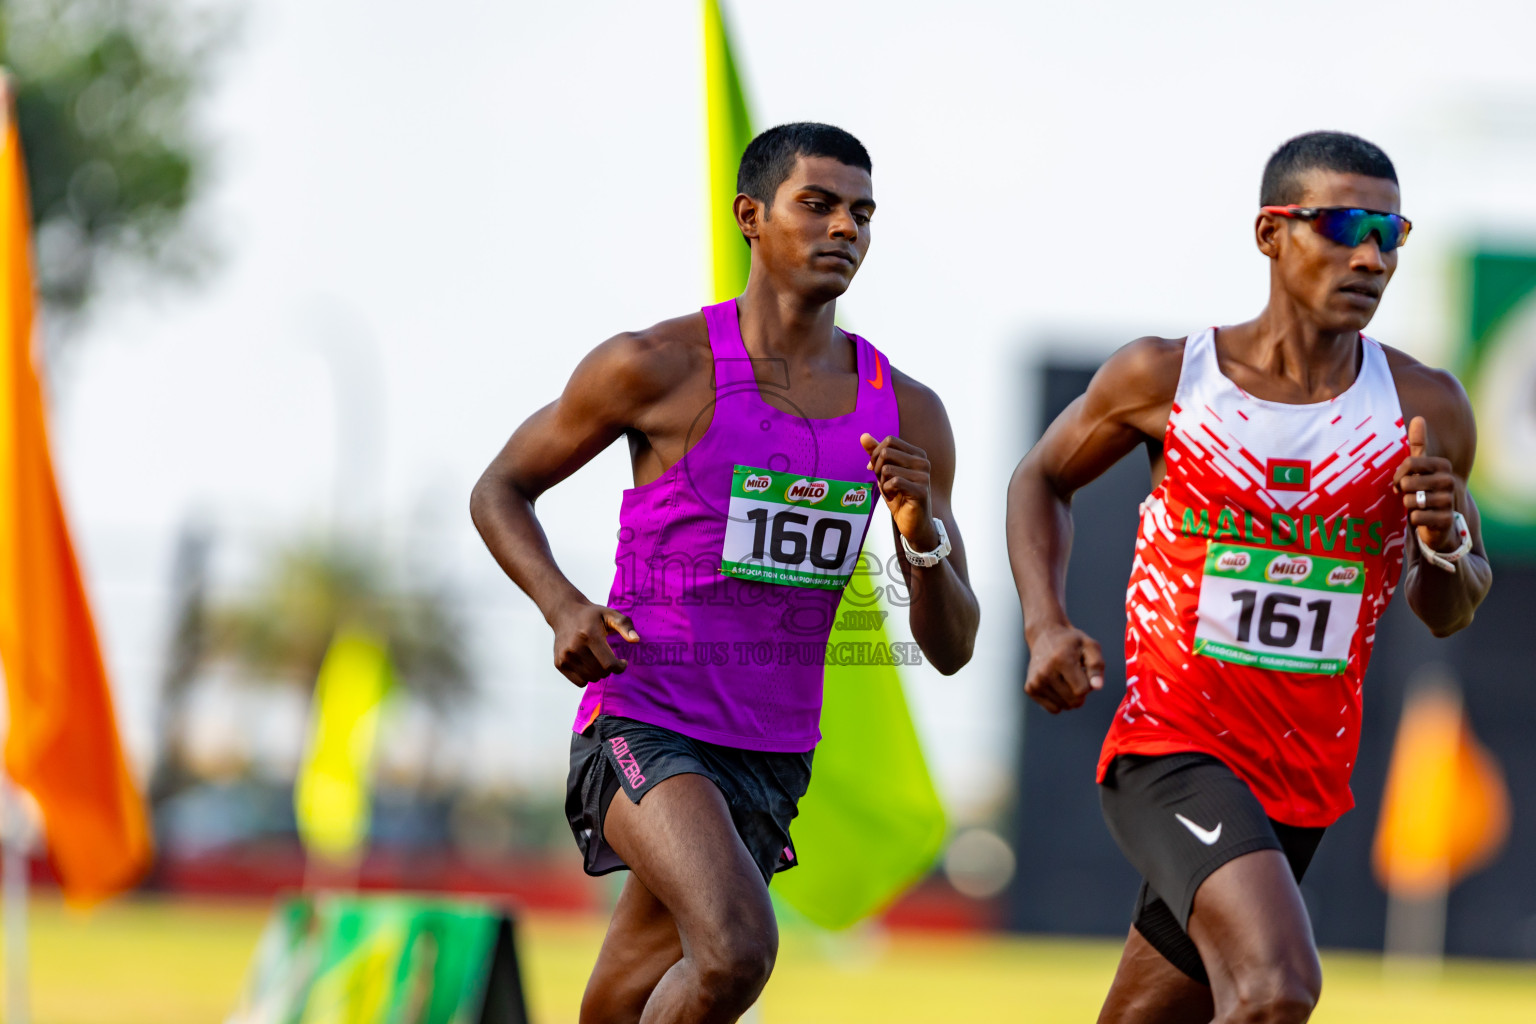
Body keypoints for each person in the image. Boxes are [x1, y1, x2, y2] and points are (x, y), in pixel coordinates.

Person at [472, 122, 978, 1024]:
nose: (844, 231)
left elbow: (953, 645)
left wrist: (919, 528)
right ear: (751, 215)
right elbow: (502, 488)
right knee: (738, 947)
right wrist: (563, 606)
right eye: (816, 206)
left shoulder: (907, 412)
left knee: (627, 992)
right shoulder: (659, 366)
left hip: (773, 752)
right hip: (646, 717)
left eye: (862, 214)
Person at [1006, 131, 1491, 1024]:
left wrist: (1442, 538)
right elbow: (1041, 477)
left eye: (1391, 233)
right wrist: (1044, 621)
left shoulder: (1426, 408)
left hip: (1303, 775)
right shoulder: (1169, 376)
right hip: (1174, 748)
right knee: (1275, 989)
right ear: (1271, 232)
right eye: (1342, 225)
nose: (1371, 256)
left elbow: (1449, 606)